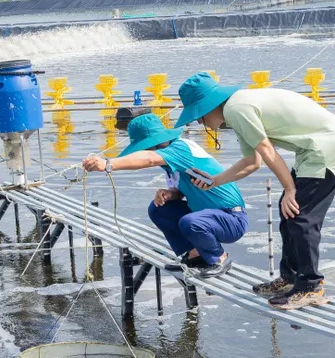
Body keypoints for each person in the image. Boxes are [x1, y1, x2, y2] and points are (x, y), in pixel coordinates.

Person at [175, 72, 335, 310]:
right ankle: (290, 279)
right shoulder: (236, 109)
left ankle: (310, 286)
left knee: (300, 217)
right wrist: (216, 181)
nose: (199, 122)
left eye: (198, 116)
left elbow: (266, 148)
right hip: (313, 150)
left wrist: (289, 187)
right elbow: (253, 162)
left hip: (326, 148)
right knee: (289, 214)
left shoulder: (236, 109)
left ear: (207, 106)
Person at [82, 113, 248, 278]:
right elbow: (183, 191)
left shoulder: (180, 148)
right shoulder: (170, 162)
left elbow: (149, 159)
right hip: (208, 218)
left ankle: (218, 258)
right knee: (158, 209)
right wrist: (171, 194)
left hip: (231, 218)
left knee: (191, 222)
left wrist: (107, 164)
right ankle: (194, 255)